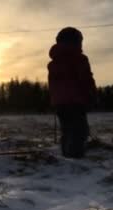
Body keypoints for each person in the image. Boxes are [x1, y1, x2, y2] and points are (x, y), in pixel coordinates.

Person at [48, 27, 97, 158]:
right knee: (80, 131)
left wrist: (54, 100)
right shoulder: (79, 58)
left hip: (60, 103)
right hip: (76, 101)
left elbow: (53, 85)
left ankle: (67, 157)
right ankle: (76, 159)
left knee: (67, 130)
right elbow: (86, 79)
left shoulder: (53, 63)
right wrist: (92, 94)